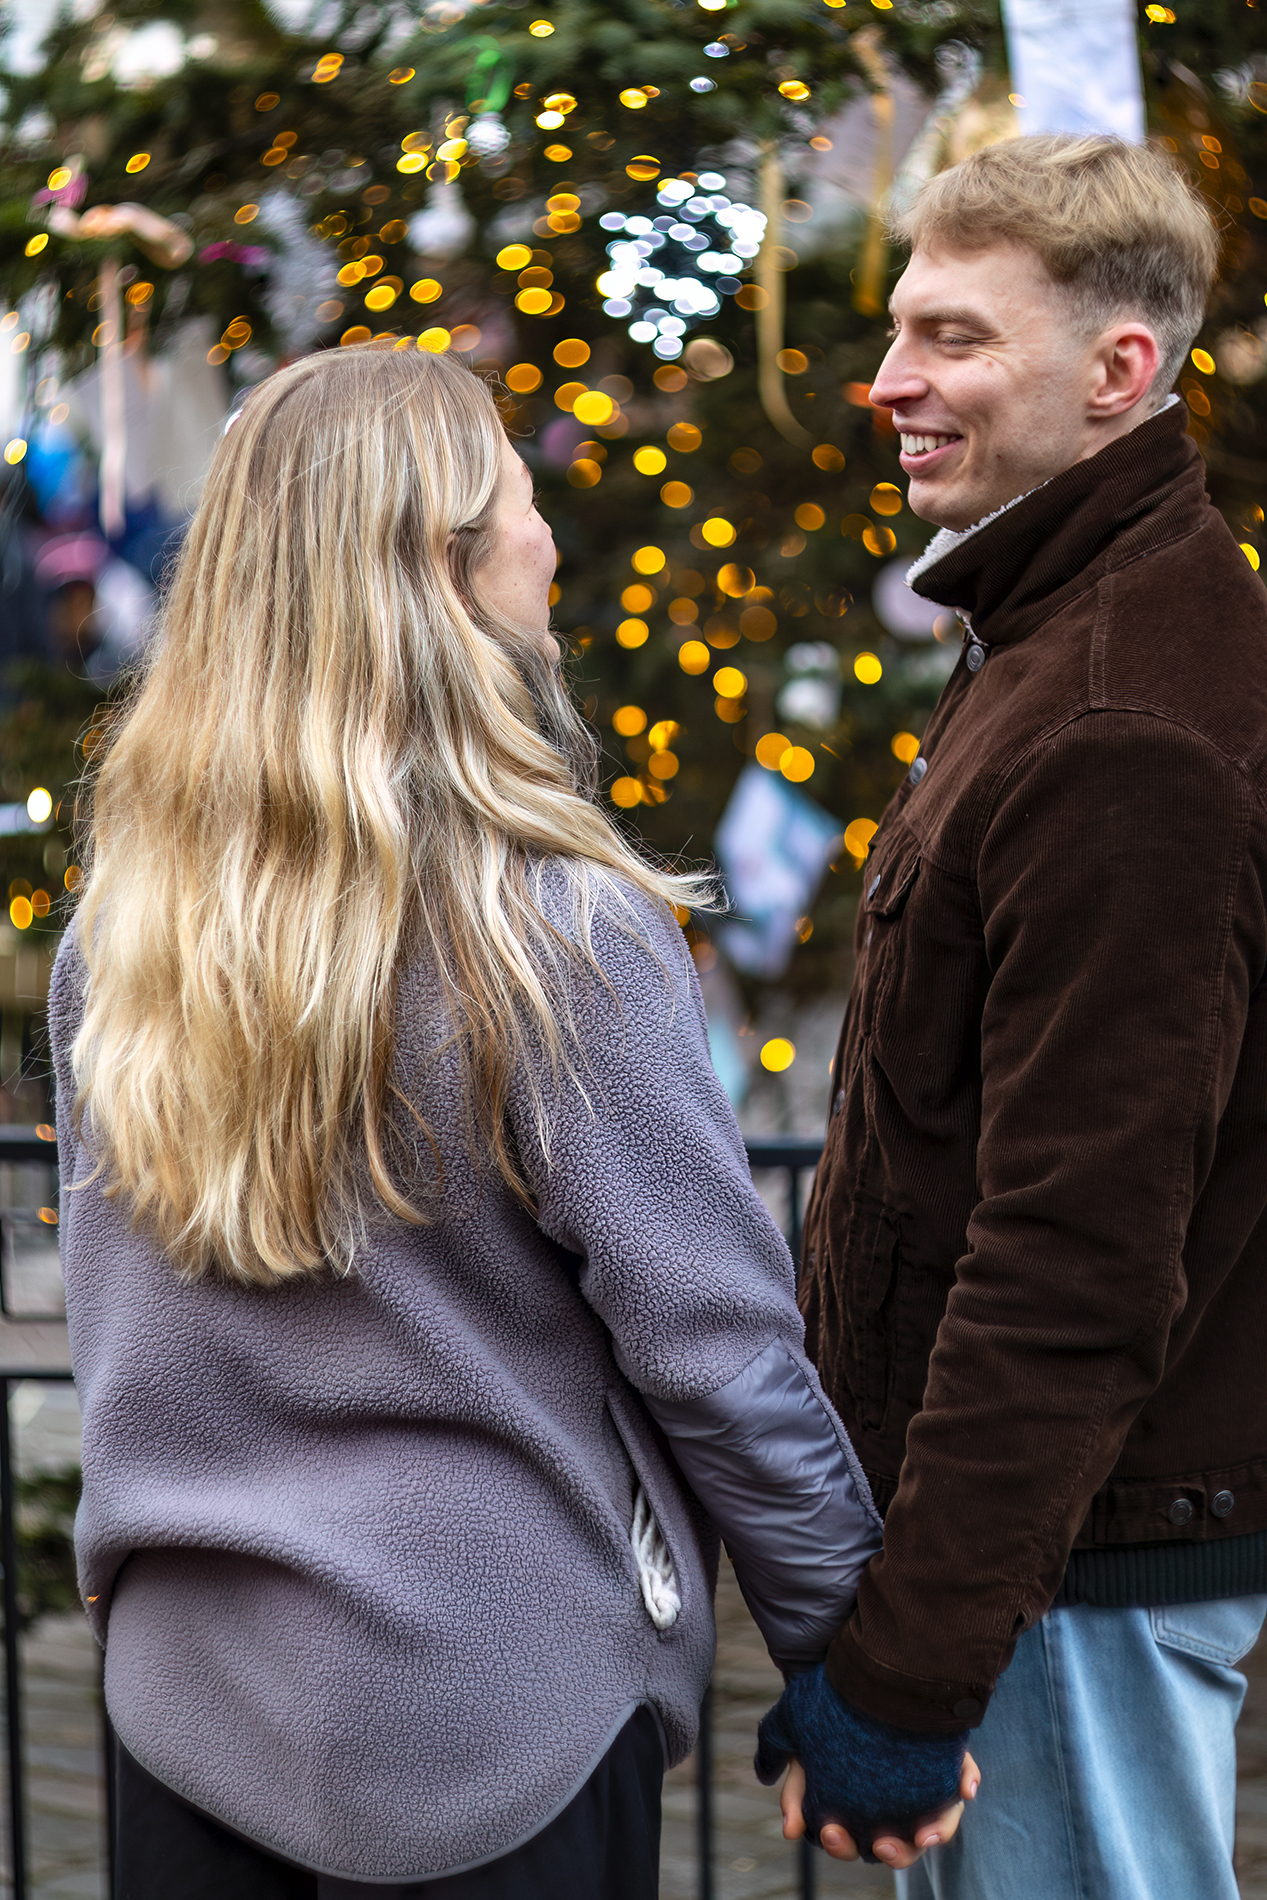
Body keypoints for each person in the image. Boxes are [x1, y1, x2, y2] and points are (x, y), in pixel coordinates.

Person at [48, 344, 970, 1898]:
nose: (548, 537)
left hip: (188, 1706)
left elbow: (114, 1321)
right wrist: (859, 1672)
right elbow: (719, 1350)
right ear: (446, 568)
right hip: (493, 1721)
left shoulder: (125, 936)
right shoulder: (552, 931)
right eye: (523, 500)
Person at [768, 132, 1267, 1897]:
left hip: (1067, 1585)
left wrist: (911, 1666)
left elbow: (1076, 1254)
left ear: (1118, 369)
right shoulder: (1054, 627)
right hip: (1028, 1575)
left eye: (956, 338)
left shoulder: (1125, 717)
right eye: (901, 328)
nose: (891, 379)